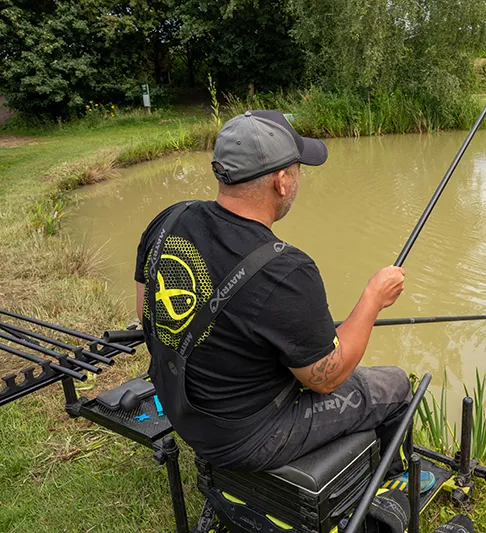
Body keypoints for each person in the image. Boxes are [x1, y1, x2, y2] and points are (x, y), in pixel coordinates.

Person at [134, 110, 434, 492]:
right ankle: (392, 481)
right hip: (243, 438)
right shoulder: (285, 269)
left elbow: (147, 314)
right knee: (393, 386)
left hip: (182, 408)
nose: (298, 179)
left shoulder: (170, 220)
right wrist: (373, 299)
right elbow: (329, 377)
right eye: (297, 169)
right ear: (281, 181)